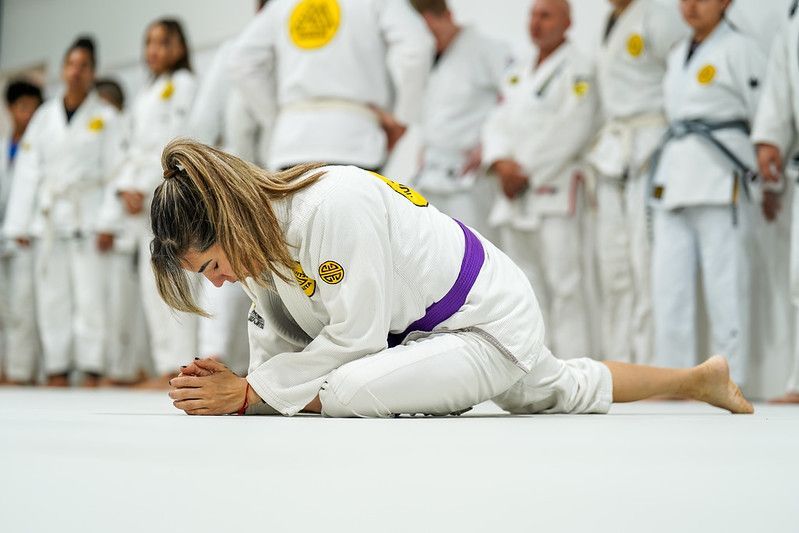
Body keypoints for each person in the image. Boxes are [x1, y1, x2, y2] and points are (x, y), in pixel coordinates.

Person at [151, 138, 752, 418]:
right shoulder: (258, 243)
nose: (220, 282)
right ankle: (699, 379)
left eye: (211, 266)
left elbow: (354, 344)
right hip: (430, 336)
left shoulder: (330, 204)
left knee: (349, 391)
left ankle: (697, 379)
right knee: (564, 389)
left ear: (227, 220)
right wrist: (241, 385)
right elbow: (280, 345)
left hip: (484, 321)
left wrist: (253, 394)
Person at [649, 0, 764, 386]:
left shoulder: (742, 49)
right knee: (669, 287)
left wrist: (766, 177)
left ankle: (731, 379)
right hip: (674, 174)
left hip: (720, 175)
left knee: (725, 283)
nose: (691, 6)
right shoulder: (678, 52)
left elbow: (762, 113)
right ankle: (673, 378)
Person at [2, 37, 124, 387]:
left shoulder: (106, 117)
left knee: (90, 298)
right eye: (71, 65)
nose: (76, 72)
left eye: (83, 66)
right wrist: (19, 224)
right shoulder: (43, 117)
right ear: (62, 70)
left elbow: (115, 170)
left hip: (88, 217)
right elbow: (28, 170)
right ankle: (56, 368)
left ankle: (91, 369)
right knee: (52, 299)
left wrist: (108, 221)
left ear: (93, 72)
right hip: (50, 220)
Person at [481, 0, 598, 359]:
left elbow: (573, 129)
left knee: (566, 284)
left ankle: (575, 365)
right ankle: (537, 363)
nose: (536, 23)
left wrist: (524, 171)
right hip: (515, 193)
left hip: (553, 187)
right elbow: (497, 121)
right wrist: (500, 162)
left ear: (567, 22)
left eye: (546, 15)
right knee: (525, 285)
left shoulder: (579, 68)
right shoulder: (519, 68)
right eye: (533, 15)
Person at [98, 19, 198, 388]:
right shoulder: (146, 94)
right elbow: (131, 151)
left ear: (180, 48)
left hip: (169, 194)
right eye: (149, 42)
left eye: (163, 42)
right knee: (153, 285)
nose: (154, 50)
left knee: (178, 280)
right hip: (143, 203)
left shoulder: (184, 86)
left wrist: (143, 185)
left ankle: (185, 367)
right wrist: (127, 187)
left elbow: (179, 142)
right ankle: (165, 367)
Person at [586, 0, 688, 363]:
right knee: (614, 266)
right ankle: (619, 361)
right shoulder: (610, 21)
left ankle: (653, 362)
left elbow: (683, 83)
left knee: (646, 263)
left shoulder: (658, 15)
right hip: (616, 151)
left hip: (651, 147)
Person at [229, 0, 434, 170]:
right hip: (354, 140)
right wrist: (403, 119)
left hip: (292, 146)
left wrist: (278, 118)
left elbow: (241, 61)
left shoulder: (282, 5)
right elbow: (418, 47)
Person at [409, 0, 509, 241]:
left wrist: (489, 145)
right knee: (436, 249)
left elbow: (513, 98)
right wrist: (424, 146)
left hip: (469, 176)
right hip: (432, 172)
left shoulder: (486, 49)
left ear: (447, 16)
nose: (432, 38)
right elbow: (436, 110)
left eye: (434, 30)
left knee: (478, 251)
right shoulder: (431, 56)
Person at [751, 1, 799, 403]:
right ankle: (798, 380)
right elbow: (782, 79)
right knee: (798, 278)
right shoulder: (793, 13)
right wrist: (771, 138)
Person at [0, 80, 43, 385]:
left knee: (23, 308)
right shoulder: (5, 147)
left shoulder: (40, 149)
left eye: (33, 108)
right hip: (4, 236)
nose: (28, 115)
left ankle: (20, 371)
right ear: (11, 109)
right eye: (22, 107)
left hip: (27, 238)